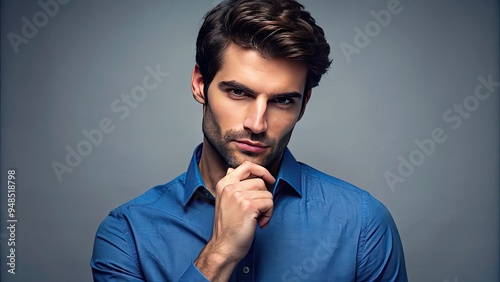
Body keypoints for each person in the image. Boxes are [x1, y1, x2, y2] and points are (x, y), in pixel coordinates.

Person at [90, 0, 407, 281]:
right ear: (200, 84)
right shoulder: (127, 233)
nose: (257, 124)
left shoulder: (362, 224)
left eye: (282, 101)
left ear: (304, 104)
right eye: (238, 92)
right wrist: (220, 253)